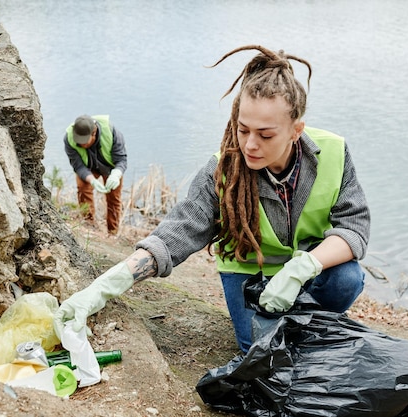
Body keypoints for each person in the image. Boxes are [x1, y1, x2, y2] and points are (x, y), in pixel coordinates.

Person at [54, 46, 370, 354]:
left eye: (265, 134)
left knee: (346, 278)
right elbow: (173, 236)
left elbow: (354, 229)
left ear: (295, 130)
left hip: (305, 271)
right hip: (249, 270)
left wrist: (304, 266)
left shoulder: (333, 153)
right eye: (243, 129)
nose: (250, 145)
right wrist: (102, 288)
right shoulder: (222, 169)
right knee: (258, 352)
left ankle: (314, 325)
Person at [64, 114, 127, 235]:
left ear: (94, 133)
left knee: (114, 198)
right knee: (83, 188)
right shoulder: (69, 138)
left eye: (84, 141)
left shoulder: (112, 133)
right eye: (79, 141)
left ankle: (112, 232)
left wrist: (116, 174)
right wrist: (92, 180)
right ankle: (89, 227)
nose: (81, 144)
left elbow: (122, 160)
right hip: (88, 168)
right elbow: (78, 165)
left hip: (111, 168)